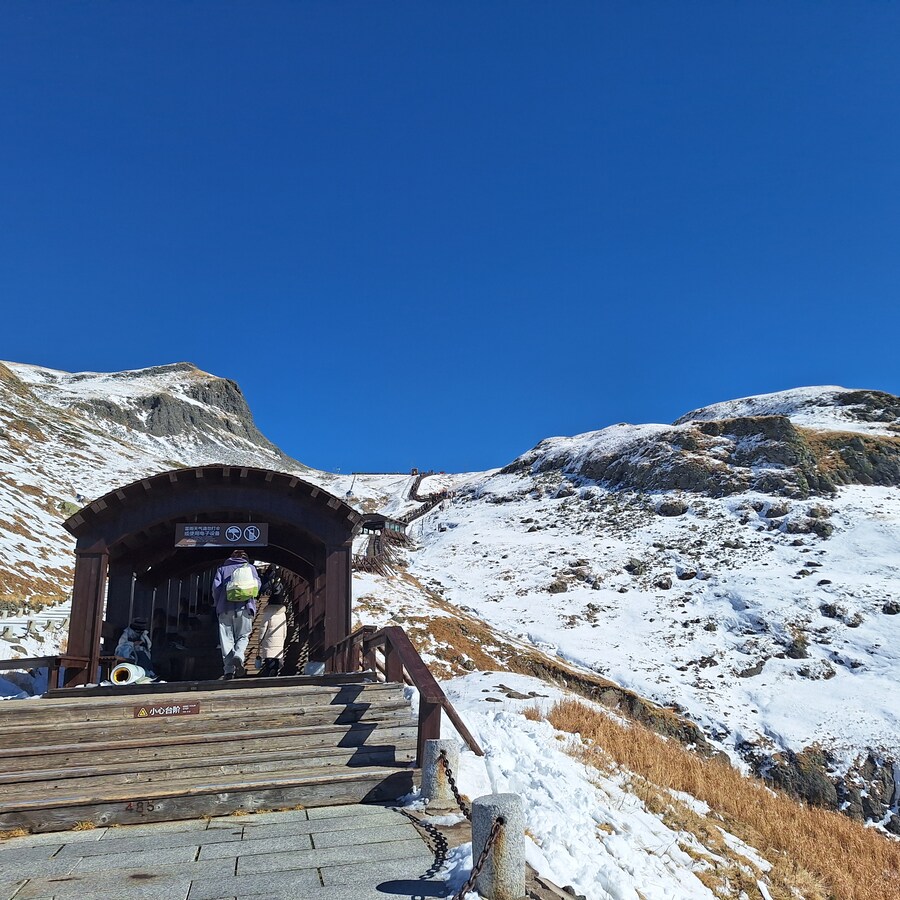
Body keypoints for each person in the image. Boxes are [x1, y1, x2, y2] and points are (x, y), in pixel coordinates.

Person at [212, 549, 260, 679]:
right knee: (243, 636)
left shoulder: (222, 569)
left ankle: (228, 671)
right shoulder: (250, 568)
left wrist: (218, 603)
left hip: (225, 609)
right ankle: (239, 655)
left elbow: (216, 589)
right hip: (245, 608)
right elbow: (257, 586)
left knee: (226, 640)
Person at [258, 570, 287, 677]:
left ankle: (270, 670)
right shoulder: (282, 613)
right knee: (276, 656)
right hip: (279, 640)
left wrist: (260, 639)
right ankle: (275, 670)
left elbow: (263, 627)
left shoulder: (268, 612)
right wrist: (283, 638)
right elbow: (284, 628)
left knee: (269, 657)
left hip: (268, 640)